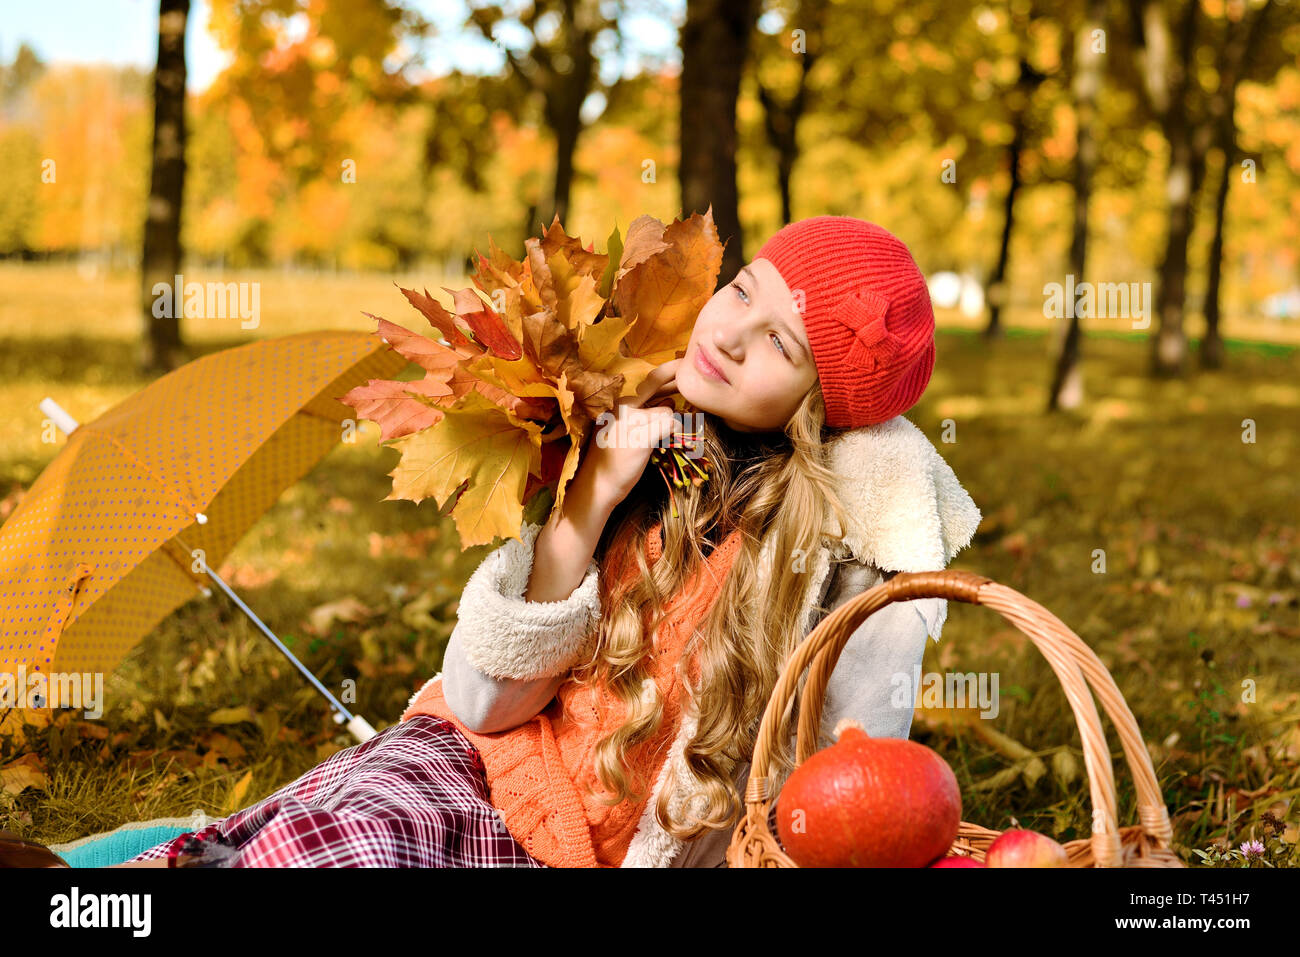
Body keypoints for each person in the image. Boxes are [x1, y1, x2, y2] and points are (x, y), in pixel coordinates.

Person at [94, 215, 982, 868]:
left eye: (781, 345)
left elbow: (847, 786)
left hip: (568, 854)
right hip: (478, 753)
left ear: (818, 408)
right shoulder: (633, 429)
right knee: (365, 819)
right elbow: (485, 704)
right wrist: (589, 501)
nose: (733, 334)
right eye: (743, 288)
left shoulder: (828, 563)